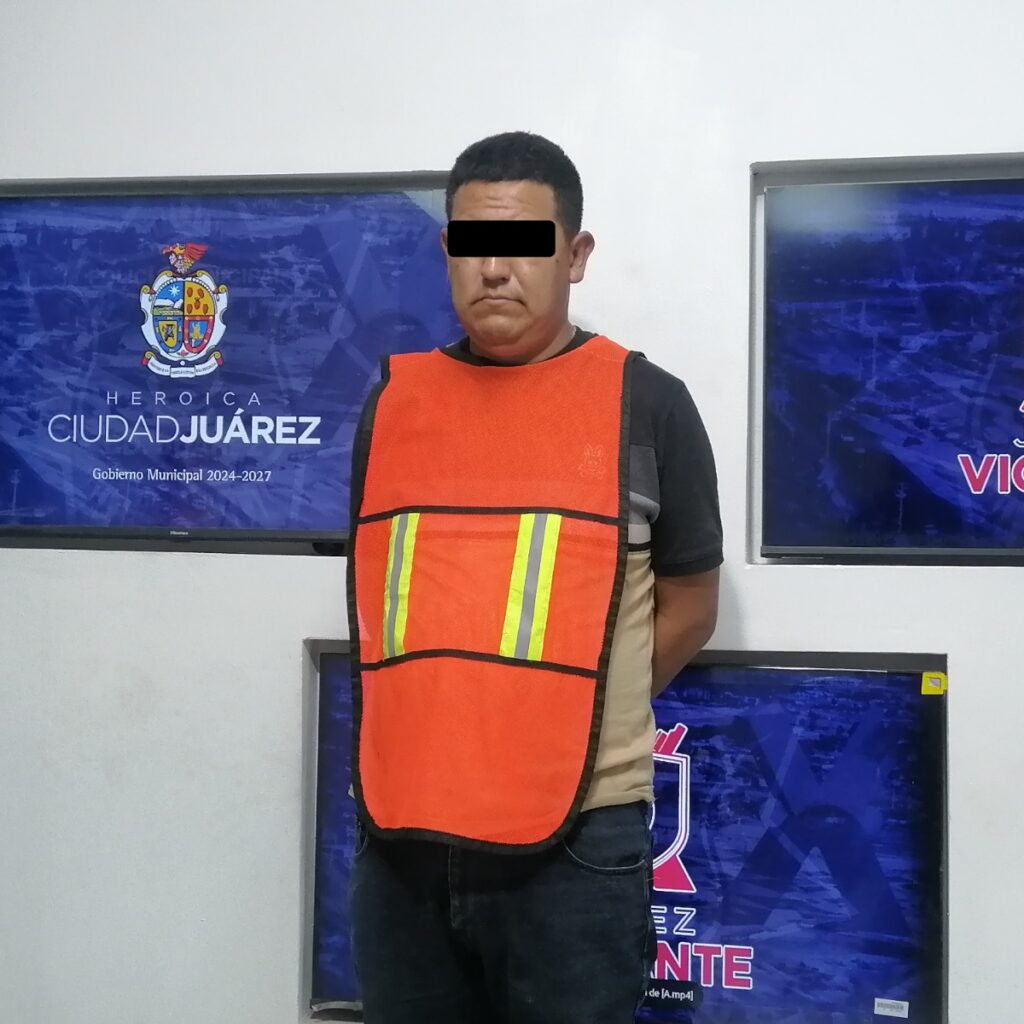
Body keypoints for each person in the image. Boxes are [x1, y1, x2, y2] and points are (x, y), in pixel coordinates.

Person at [346, 130, 722, 1024]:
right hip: (402, 840)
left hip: (578, 848)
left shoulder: (648, 404)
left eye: (523, 245)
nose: (495, 270)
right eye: (474, 246)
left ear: (576, 256)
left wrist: (563, 711)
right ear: (449, 253)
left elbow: (690, 608)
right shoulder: (392, 402)